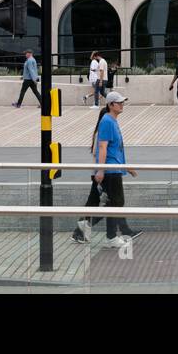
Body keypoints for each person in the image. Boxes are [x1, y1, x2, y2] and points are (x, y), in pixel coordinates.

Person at [71, 92, 141, 248]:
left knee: (113, 202)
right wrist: (101, 170)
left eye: (123, 102)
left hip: (115, 168)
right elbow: (102, 147)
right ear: (110, 105)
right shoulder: (107, 121)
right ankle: (102, 232)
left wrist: (126, 167)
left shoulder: (113, 121)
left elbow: (117, 149)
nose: (122, 104)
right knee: (116, 202)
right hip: (109, 169)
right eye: (119, 102)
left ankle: (93, 227)